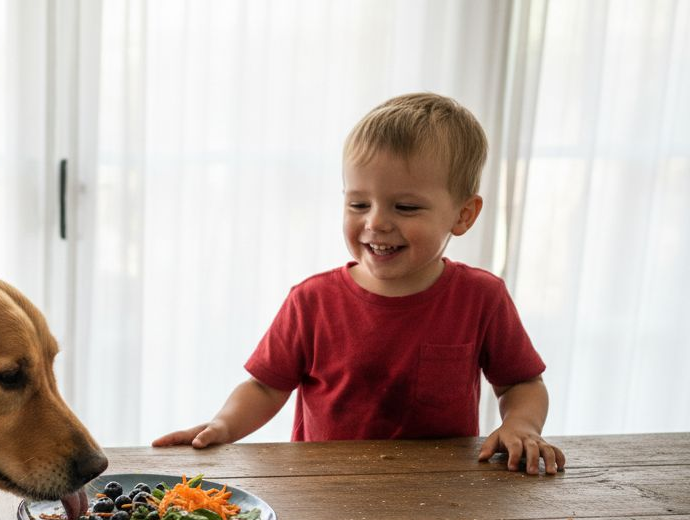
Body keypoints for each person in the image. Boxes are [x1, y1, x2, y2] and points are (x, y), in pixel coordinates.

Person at [153, 92, 564, 475]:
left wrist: (521, 425)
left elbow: (522, 383)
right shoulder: (311, 301)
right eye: (358, 204)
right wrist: (223, 425)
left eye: (405, 207)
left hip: (443, 495)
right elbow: (264, 387)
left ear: (463, 215)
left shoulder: (482, 298)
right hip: (326, 494)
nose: (376, 222)